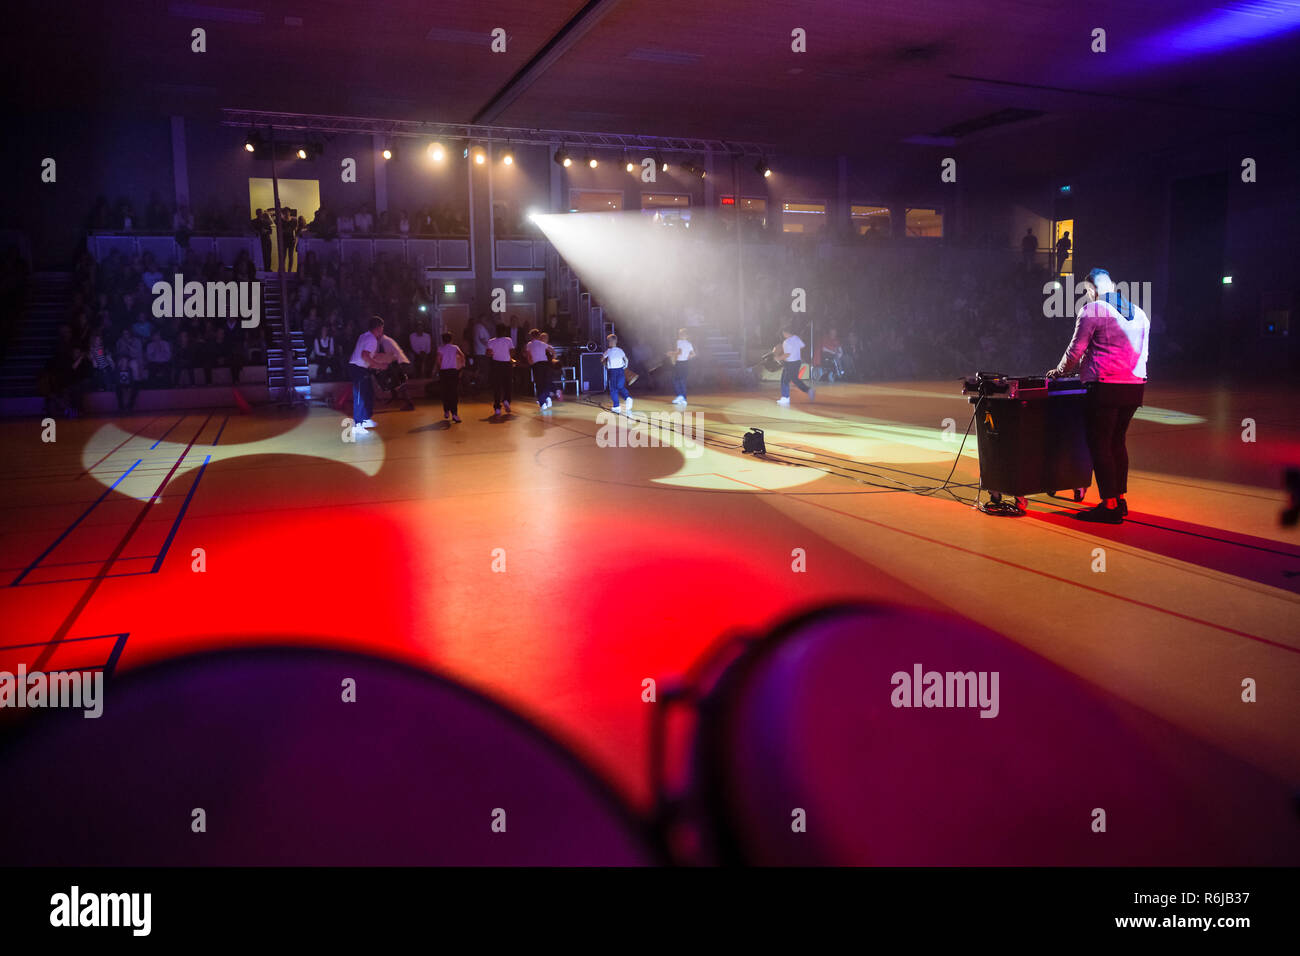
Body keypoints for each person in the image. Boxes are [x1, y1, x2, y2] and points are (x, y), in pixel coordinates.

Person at [1047, 268, 1150, 524]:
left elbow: (1076, 350)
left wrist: (1059, 372)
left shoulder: (1092, 310)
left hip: (1105, 385)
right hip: (1135, 385)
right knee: (1117, 442)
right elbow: (1144, 353)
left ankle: (1110, 506)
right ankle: (1120, 499)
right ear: (1113, 285)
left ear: (1091, 289)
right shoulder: (1140, 313)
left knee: (1100, 443)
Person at [348, 315, 393, 429]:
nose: (382, 330)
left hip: (360, 368)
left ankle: (366, 419)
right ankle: (358, 425)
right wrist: (380, 366)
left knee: (368, 393)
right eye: (382, 328)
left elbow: (368, 355)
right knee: (361, 396)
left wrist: (381, 360)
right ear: (378, 328)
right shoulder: (372, 339)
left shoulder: (364, 336)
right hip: (358, 369)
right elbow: (365, 355)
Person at [776, 326, 814, 406]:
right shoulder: (796, 338)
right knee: (790, 379)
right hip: (797, 362)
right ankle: (786, 397)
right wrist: (795, 350)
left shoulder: (786, 342)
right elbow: (802, 346)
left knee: (786, 380)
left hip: (790, 363)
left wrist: (778, 358)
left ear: (785, 333)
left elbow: (787, 354)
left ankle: (786, 397)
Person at [435, 332, 465, 423]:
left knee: (445, 391)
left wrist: (440, 368)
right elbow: (462, 355)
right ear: (451, 339)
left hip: (444, 372)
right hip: (453, 371)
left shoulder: (440, 348)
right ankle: (455, 414)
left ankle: (446, 410)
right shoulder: (455, 347)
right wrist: (461, 366)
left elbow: (438, 360)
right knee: (453, 392)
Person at [485, 322, 515, 415]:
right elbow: (512, 351)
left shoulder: (491, 341)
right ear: (505, 331)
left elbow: (488, 354)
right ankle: (506, 400)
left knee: (497, 386)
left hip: (496, 364)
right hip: (506, 364)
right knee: (507, 384)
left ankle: (497, 408)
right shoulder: (508, 340)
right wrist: (508, 356)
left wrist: (495, 352)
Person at [523, 329, 556, 411]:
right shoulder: (542, 344)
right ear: (538, 335)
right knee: (545, 383)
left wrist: (530, 363)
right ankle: (546, 398)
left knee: (539, 383)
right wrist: (553, 358)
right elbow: (552, 350)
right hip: (544, 364)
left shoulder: (529, 344)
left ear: (531, 336)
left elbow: (528, 355)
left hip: (536, 365)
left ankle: (543, 402)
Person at [602, 333, 632, 414]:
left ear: (612, 341)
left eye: (609, 341)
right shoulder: (620, 350)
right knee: (620, 386)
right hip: (621, 370)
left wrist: (606, 365)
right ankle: (627, 398)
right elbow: (626, 360)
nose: (609, 343)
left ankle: (616, 406)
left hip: (613, 371)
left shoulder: (608, 351)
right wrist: (625, 366)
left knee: (613, 389)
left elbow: (602, 359)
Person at [671, 328, 695, 405]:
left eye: (682, 334)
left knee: (677, 380)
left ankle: (681, 397)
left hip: (680, 363)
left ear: (686, 335)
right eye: (680, 334)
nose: (680, 335)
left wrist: (672, 354)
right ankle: (682, 398)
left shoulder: (679, 342)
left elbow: (679, 352)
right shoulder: (688, 343)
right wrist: (687, 357)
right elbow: (693, 354)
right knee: (681, 380)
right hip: (685, 363)